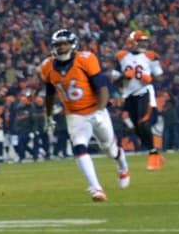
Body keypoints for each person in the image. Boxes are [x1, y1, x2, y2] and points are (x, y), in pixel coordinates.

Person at [39, 29, 131, 201]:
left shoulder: (86, 59)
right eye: (58, 45)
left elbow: (102, 89)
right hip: (75, 115)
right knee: (79, 147)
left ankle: (122, 167)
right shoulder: (47, 67)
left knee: (110, 150)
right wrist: (48, 116)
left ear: (73, 44)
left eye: (65, 44)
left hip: (96, 109)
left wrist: (98, 110)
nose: (61, 48)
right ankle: (96, 189)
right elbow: (50, 94)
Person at [114, 29, 166, 171]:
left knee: (143, 123)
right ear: (132, 42)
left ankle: (153, 155)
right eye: (141, 41)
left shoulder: (150, 56)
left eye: (145, 41)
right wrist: (124, 76)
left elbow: (160, 77)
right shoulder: (121, 56)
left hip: (144, 92)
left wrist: (150, 79)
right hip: (128, 95)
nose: (144, 44)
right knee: (133, 125)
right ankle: (154, 151)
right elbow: (114, 80)